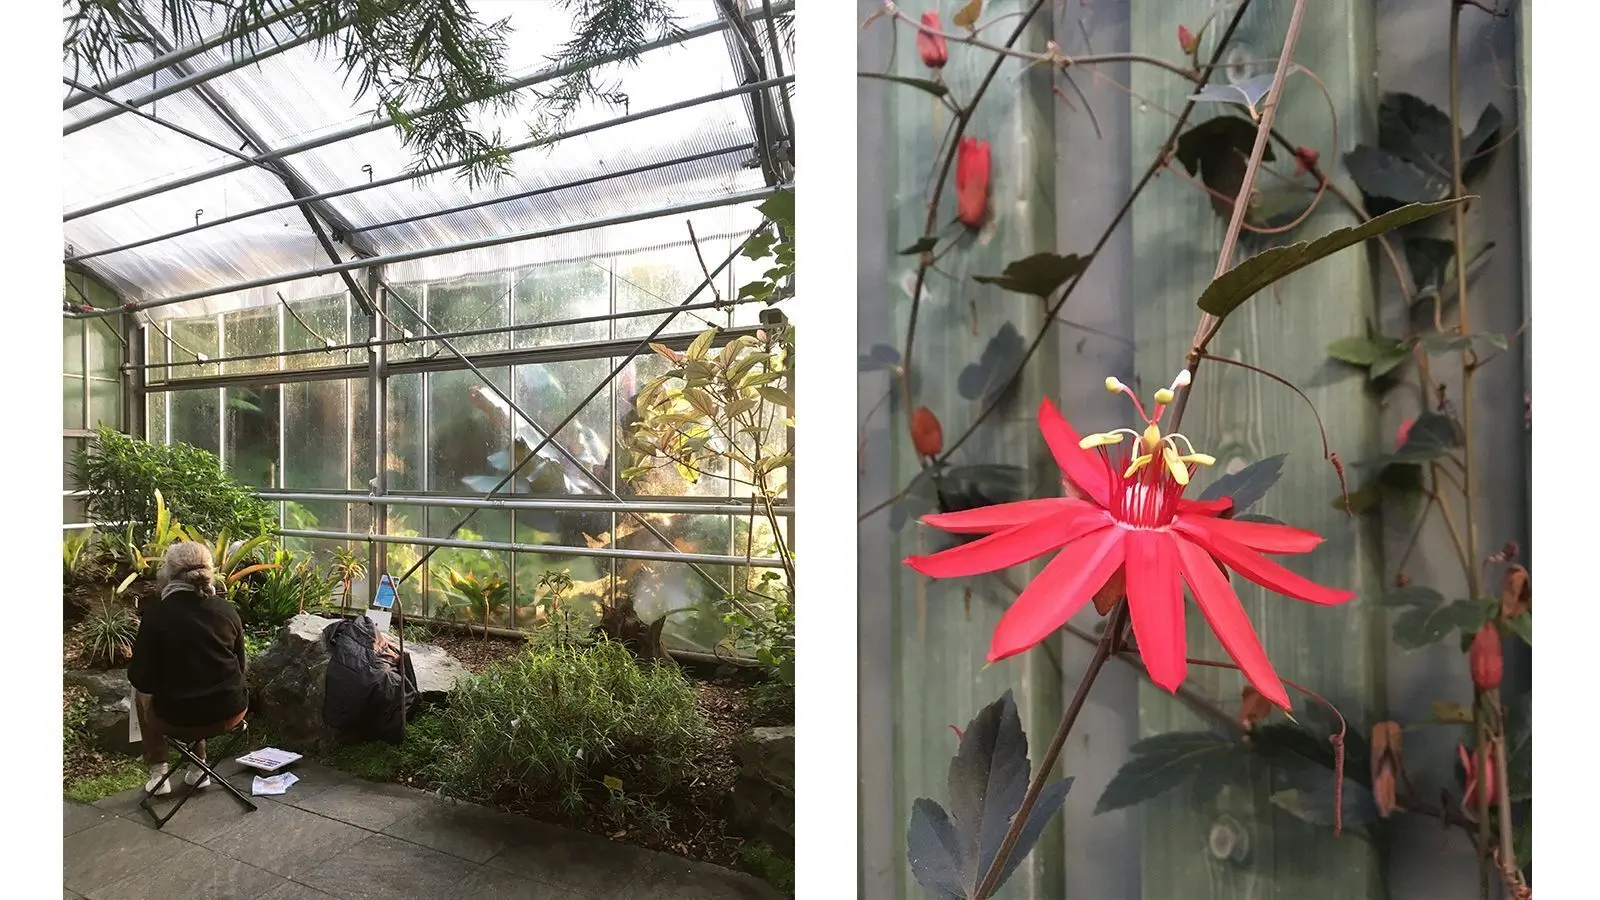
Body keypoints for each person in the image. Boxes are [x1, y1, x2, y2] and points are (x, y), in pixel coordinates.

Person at [127, 542, 249, 796]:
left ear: (169, 574)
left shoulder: (156, 616)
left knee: (139, 692)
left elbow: (142, 679)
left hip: (178, 720)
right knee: (198, 685)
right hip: (231, 712)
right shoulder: (227, 610)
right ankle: (199, 769)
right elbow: (241, 665)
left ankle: (159, 775)